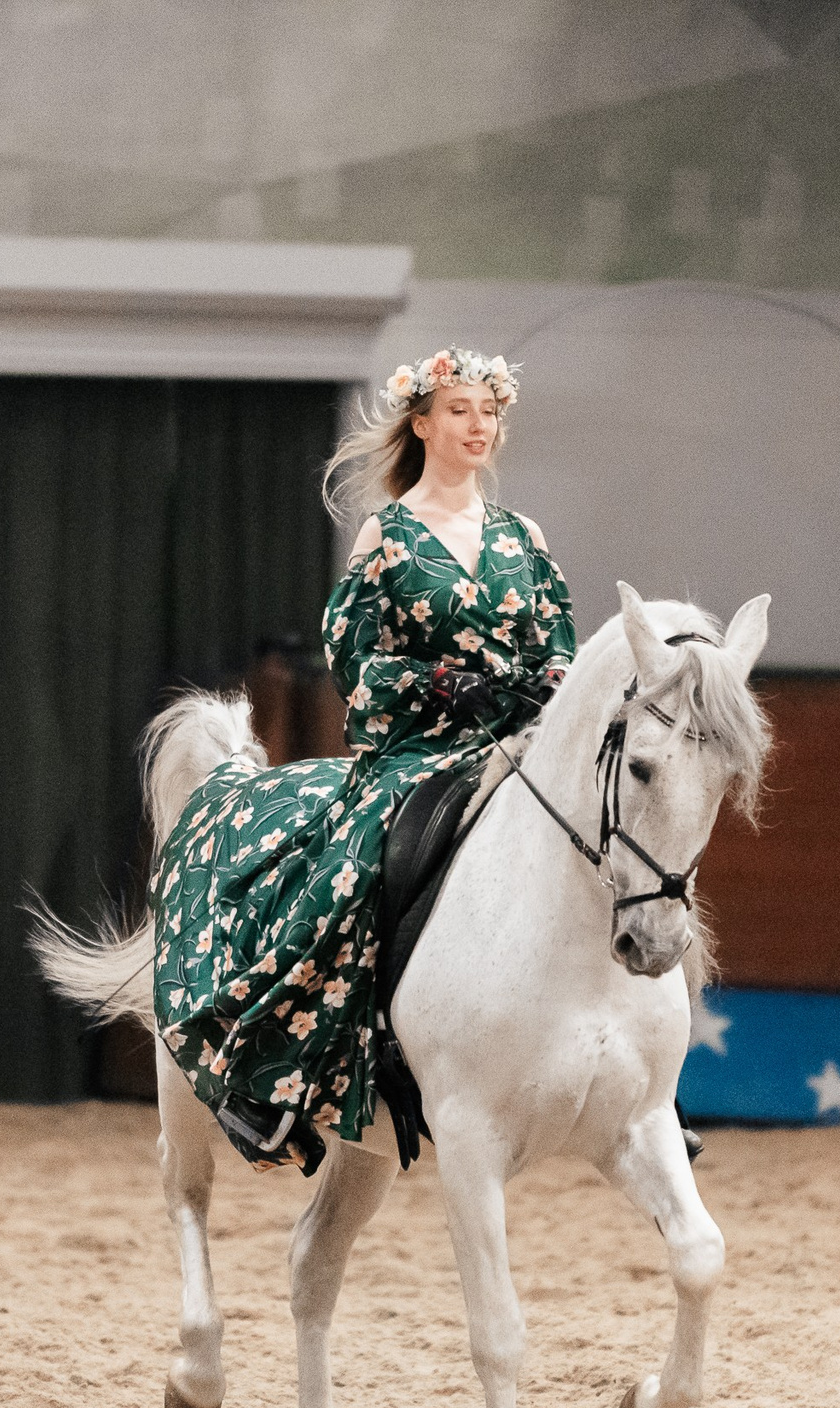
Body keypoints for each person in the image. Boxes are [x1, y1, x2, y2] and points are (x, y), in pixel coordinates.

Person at [146, 347, 572, 1172]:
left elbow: (561, 646)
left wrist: (543, 683)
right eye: (460, 410)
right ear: (422, 424)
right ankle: (275, 1078)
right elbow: (356, 661)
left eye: (489, 411)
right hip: (417, 754)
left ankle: (631, 1087)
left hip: (518, 748)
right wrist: (440, 684)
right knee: (356, 874)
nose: (479, 424)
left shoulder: (526, 538)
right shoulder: (390, 533)